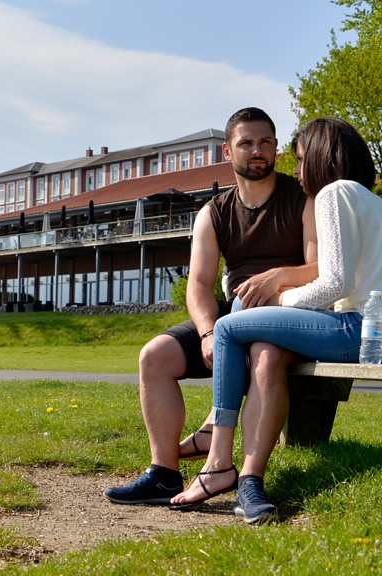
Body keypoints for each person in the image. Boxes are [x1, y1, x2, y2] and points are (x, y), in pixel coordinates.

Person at [169, 117, 382, 522]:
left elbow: (334, 281)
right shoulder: (369, 198)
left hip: (355, 328)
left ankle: (218, 460)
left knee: (230, 324)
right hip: (372, 329)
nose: (298, 171)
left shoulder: (333, 195)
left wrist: (281, 298)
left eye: (302, 161)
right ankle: (225, 460)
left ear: (322, 157)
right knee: (244, 320)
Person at [104, 107, 318, 507]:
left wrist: (277, 277)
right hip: (231, 314)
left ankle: (249, 480)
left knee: (265, 357)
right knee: (154, 357)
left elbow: (318, 269)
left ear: (276, 148)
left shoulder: (301, 199)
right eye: (247, 143)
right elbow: (199, 284)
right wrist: (206, 331)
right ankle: (164, 473)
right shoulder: (214, 212)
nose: (258, 150)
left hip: (286, 313)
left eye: (266, 142)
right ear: (227, 151)